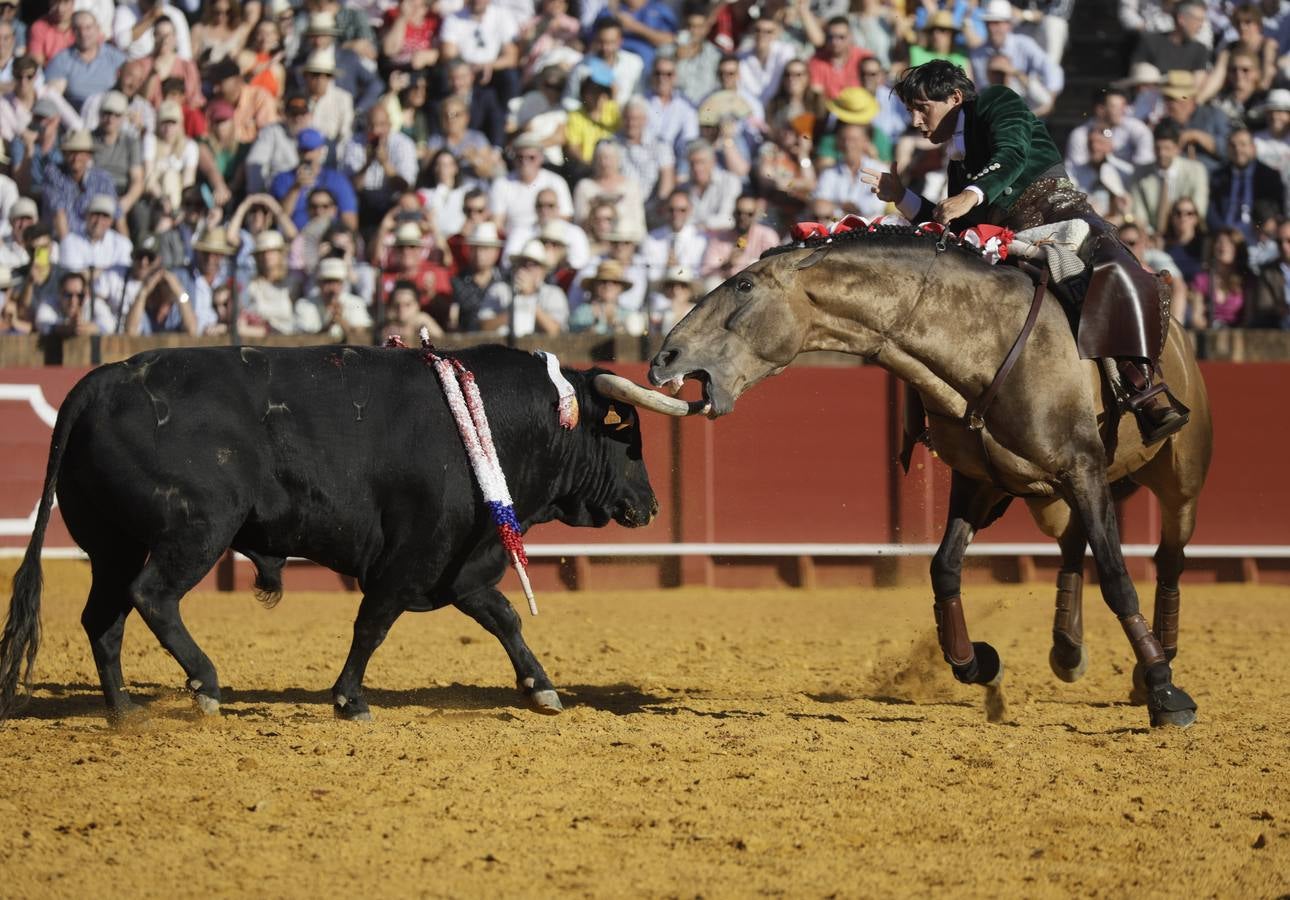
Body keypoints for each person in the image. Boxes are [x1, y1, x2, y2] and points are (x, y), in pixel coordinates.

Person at [861, 59, 1188, 444]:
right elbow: (951, 222)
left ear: (954, 97)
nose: (916, 121)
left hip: (1062, 217)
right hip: (1004, 240)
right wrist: (901, 197)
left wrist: (969, 196)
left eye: (922, 108)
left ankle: (1143, 385)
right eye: (911, 111)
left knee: (1116, 266)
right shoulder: (959, 165)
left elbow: (1012, 152)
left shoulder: (995, 101)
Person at [1129, 119, 1209, 237]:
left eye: (1167, 148)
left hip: (1187, 237)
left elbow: (1198, 210)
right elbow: (1139, 214)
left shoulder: (1196, 171)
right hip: (1151, 238)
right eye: (1157, 148)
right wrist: (1151, 236)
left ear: (1177, 149)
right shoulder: (1140, 173)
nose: (1161, 153)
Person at [1207, 127, 1285, 244]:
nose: (1238, 149)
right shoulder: (1218, 177)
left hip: (1259, 236)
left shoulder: (1270, 176)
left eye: (1243, 144)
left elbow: (1277, 212)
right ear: (1227, 149)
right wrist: (1223, 233)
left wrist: (1259, 227)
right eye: (1233, 145)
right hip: (1225, 238)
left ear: (1253, 148)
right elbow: (1211, 211)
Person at [480, 237, 568, 336]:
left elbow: (554, 331)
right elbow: (484, 326)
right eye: (522, 263)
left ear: (543, 271)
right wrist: (512, 312)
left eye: (533, 264)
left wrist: (528, 297)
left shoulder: (554, 294)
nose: (526, 269)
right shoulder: (499, 290)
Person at [295, 255, 372, 338]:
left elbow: (362, 336)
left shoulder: (356, 302)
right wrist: (329, 325)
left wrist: (341, 321)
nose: (333, 289)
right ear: (319, 283)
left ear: (342, 284)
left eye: (336, 282)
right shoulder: (304, 305)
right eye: (328, 282)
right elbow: (304, 339)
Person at [450, 221, 505, 332]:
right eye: (475, 248)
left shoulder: (506, 280)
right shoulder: (457, 281)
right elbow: (453, 321)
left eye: (485, 248)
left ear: (496, 252)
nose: (479, 254)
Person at [569, 257, 637, 334]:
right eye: (603, 281)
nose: (608, 286)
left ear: (621, 288)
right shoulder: (581, 313)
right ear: (594, 285)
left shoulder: (629, 315)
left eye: (614, 282)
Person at [1252, 217, 1290, 328]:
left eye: (1289, 241)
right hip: (1279, 328)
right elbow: (1264, 306)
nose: (1284, 246)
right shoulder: (1267, 271)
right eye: (1279, 242)